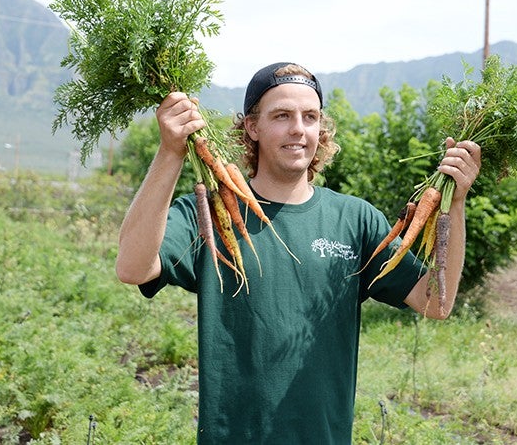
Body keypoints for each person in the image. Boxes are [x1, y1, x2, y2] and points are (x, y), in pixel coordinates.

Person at [115, 62, 481, 444]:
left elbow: (435, 302)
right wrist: (170, 152)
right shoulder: (208, 213)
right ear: (252, 128)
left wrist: (455, 204)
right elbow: (132, 266)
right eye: (282, 116)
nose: (298, 129)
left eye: (310, 117)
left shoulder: (355, 220)